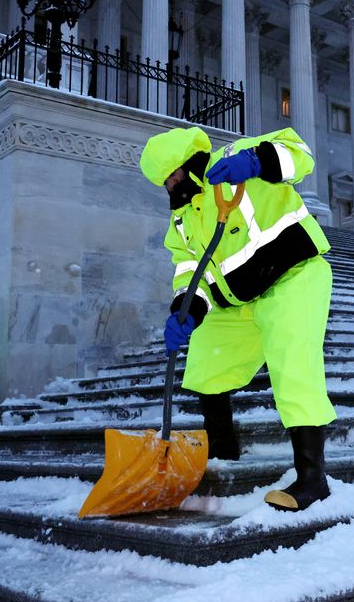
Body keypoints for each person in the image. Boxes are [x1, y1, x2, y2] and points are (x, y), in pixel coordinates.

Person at [139, 125, 336, 512]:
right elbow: (189, 269)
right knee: (206, 365)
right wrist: (186, 310)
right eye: (163, 182)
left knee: (293, 361)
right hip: (237, 300)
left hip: (292, 277)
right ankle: (223, 456)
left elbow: (302, 156)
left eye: (172, 176)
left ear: (189, 164)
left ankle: (312, 478)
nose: (170, 187)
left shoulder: (238, 156)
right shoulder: (182, 220)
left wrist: (258, 161)